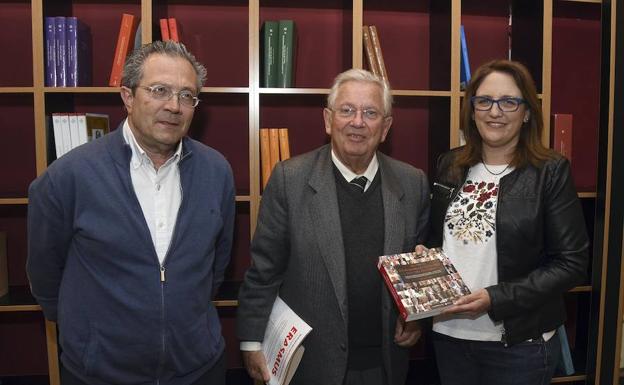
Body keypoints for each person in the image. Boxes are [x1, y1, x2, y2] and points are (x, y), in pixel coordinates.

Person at [27, 41, 235, 385]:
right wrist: (93, 339)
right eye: (159, 90)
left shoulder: (217, 171)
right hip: (100, 374)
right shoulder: (69, 176)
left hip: (198, 370)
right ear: (127, 96)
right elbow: (46, 278)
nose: (174, 106)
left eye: (187, 96)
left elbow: (216, 266)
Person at [236, 68, 430, 385]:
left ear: (386, 127)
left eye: (370, 113)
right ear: (328, 120)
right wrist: (251, 342)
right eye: (347, 111)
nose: (357, 122)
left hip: (386, 364)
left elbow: (416, 267)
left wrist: (417, 318)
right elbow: (264, 270)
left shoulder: (413, 183)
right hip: (310, 364)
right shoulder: (290, 179)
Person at [424, 59, 589, 385]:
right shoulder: (450, 164)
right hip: (450, 336)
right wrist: (424, 261)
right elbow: (438, 242)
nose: (494, 112)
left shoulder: (550, 172)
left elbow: (572, 263)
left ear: (527, 112)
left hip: (518, 346)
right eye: (484, 101)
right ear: (472, 111)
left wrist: (495, 298)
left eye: (508, 102)